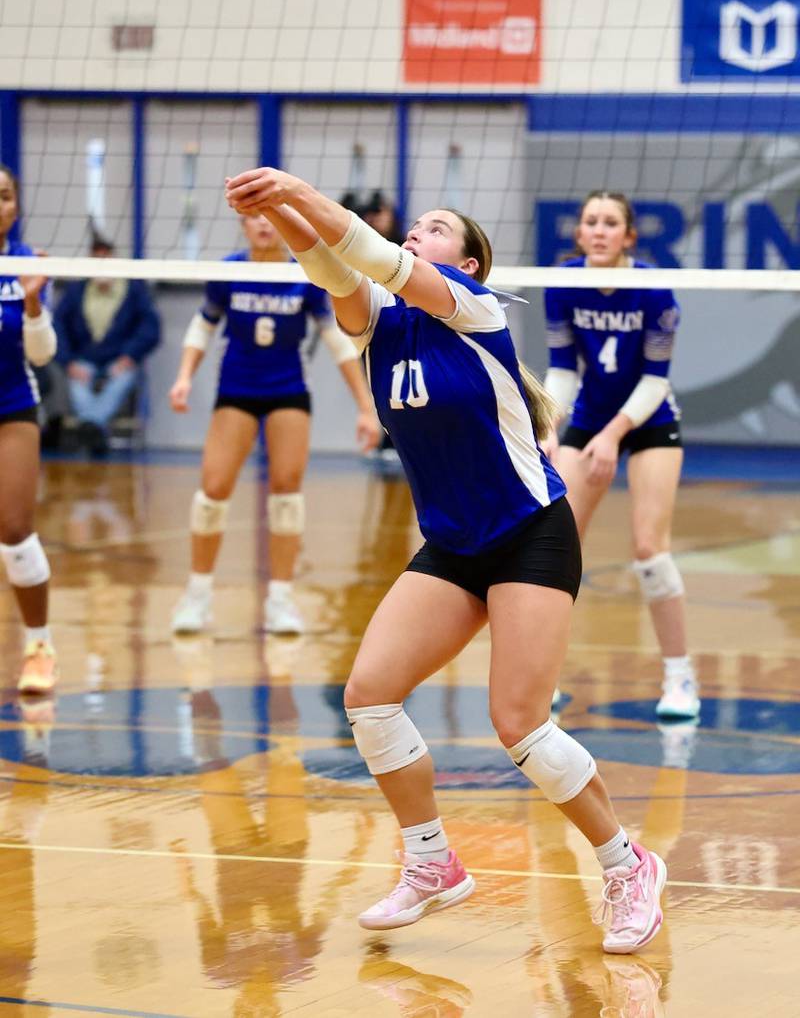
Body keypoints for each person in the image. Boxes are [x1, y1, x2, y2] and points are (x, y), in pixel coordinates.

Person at [224, 164, 668, 955]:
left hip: (529, 529)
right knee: (369, 696)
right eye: (415, 223)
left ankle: (628, 865)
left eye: (433, 227)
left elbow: (365, 247)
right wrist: (278, 209)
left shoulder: (475, 310)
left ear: (461, 264)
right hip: (455, 543)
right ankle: (432, 864)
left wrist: (293, 187)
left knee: (520, 726)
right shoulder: (378, 325)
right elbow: (330, 261)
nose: (413, 232)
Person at [169, 213, 380, 636]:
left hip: (288, 391)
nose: (264, 226)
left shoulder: (305, 274)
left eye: (272, 219)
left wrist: (365, 406)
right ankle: (197, 594)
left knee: (287, 493)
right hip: (237, 390)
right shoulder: (228, 271)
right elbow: (204, 325)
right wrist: (184, 377)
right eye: (253, 218)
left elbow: (338, 341)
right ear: (242, 226)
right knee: (212, 491)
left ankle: (280, 601)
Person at [541, 191, 699, 721]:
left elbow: (657, 381)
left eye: (612, 223)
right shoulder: (563, 283)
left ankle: (679, 678)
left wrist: (612, 436)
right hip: (588, 416)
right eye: (591, 222)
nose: (601, 230)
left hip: (649, 418)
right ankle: (544, 679)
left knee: (650, 549)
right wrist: (547, 423)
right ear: (580, 234)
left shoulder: (654, 288)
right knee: (554, 546)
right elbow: (563, 369)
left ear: (629, 236)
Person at [0, 164, 59, 696]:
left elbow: (42, 354)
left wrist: (35, 299)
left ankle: (39, 647)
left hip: (12, 406)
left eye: (3, 197)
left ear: (15, 206)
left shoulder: (26, 266)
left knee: (15, 529)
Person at [53, 234, 161, 457]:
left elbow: (151, 328)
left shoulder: (133, 290)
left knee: (121, 380)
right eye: (96, 258)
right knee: (78, 384)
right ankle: (96, 430)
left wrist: (129, 356)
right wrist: (69, 361)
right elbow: (57, 327)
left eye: (106, 258)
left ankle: (90, 427)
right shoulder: (76, 291)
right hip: (85, 359)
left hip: (119, 359)